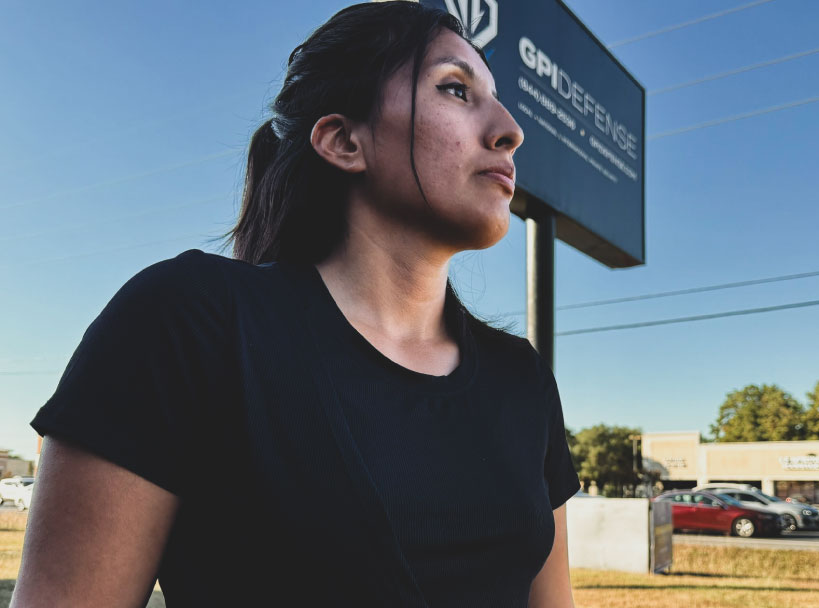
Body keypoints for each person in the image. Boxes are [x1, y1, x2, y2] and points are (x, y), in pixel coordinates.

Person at [13, 3, 580, 606]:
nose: (510, 129)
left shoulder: (523, 381)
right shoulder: (188, 324)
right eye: (455, 89)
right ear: (342, 141)